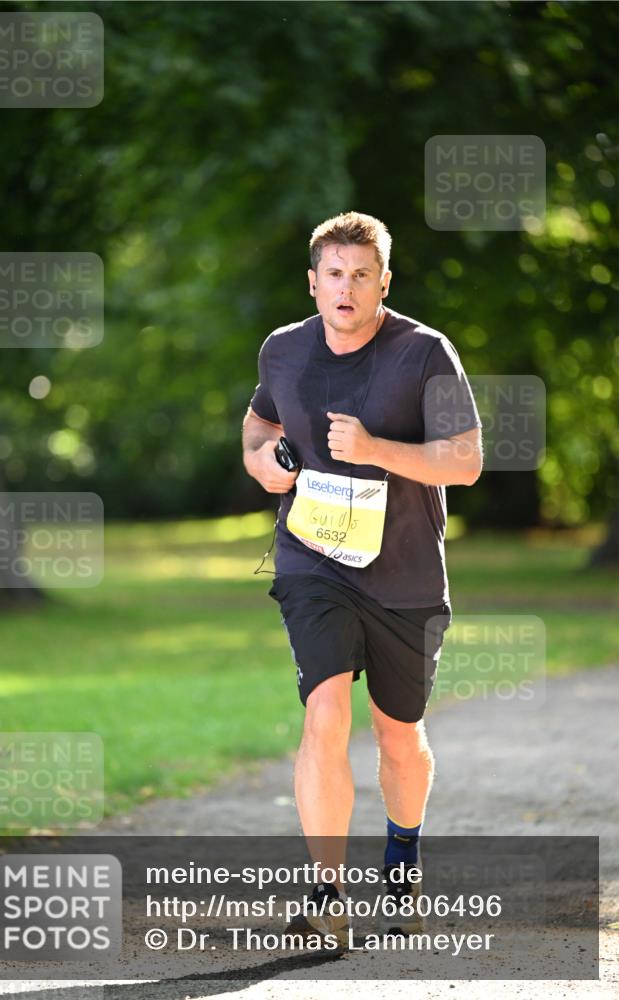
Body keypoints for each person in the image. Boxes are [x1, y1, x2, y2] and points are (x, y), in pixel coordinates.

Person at [242, 211, 482, 948]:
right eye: (334, 274)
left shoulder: (423, 353)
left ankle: (401, 865)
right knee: (324, 712)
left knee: (397, 733)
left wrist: (377, 448)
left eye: (361, 274)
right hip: (313, 561)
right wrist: (263, 463)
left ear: (384, 282)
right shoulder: (283, 350)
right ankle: (327, 894)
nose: (346, 288)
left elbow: (466, 460)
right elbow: (259, 426)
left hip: (404, 574)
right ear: (313, 284)